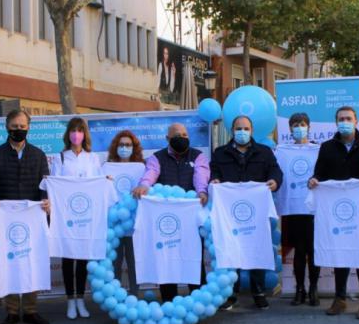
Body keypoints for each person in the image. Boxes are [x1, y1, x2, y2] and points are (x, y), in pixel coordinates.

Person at [308, 106, 359, 320]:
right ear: (336, 122)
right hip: (335, 211)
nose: (345, 121)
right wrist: (313, 181)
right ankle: (339, 299)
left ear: (356, 121)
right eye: (341, 119)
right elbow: (319, 174)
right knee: (339, 252)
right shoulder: (327, 147)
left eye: (348, 118)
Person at [0, 109, 51, 324]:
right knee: (9, 262)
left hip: (32, 219)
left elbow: (45, 185)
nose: (18, 130)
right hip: (7, 220)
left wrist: (46, 201)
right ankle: (11, 311)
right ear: (7, 127)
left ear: (28, 128)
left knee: (31, 260)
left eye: (22, 126)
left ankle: (31, 310)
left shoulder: (39, 155)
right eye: (14, 127)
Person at [210, 116, 282, 310]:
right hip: (230, 213)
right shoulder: (220, 153)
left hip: (255, 212)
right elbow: (214, 172)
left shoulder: (264, 152)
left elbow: (276, 172)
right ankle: (231, 293)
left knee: (256, 247)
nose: (242, 132)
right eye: (238, 128)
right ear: (232, 130)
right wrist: (215, 180)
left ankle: (258, 292)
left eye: (246, 128)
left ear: (252, 130)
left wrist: (274, 182)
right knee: (231, 249)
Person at [133, 123, 210, 302]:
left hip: (190, 217)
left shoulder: (198, 156)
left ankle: (199, 300)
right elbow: (151, 173)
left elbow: (201, 176)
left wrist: (202, 191)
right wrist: (144, 185)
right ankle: (168, 300)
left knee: (194, 256)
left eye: (184, 135)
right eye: (177, 135)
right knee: (166, 257)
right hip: (166, 220)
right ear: (168, 139)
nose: (181, 138)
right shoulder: (156, 158)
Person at [50, 117, 102, 319]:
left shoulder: (93, 158)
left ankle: (81, 299)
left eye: (80, 130)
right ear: (68, 134)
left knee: (82, 259)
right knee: (68, 258)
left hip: (86, 217)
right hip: (66, 217)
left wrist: (104, 181)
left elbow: (97, 184)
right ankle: (69, 301)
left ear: (85, 134)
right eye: (73, 130)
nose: (76, 134)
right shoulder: (60, 158)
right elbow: (54, 186)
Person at [277, 113, 321, 306]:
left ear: (309, 127)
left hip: (313, 208)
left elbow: (324, 172)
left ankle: (313, 289)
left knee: (313, 251)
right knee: (299, 251)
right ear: (290, 128)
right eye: (295, 124)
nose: (299, 127)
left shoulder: (319, 150)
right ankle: (299, 289)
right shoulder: (282, 151)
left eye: (302, 124)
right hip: (294, 208)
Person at [105, 130, 146, 295]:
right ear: (116, 147)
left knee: (134, 262)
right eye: (121, 145)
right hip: (113, 223)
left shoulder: (142, 168)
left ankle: (134, 295)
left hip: (134, 222)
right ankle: (115, 297)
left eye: (128, 145)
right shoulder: (106, 167)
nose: (124, 148)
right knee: (115, 262)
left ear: (133, 148)